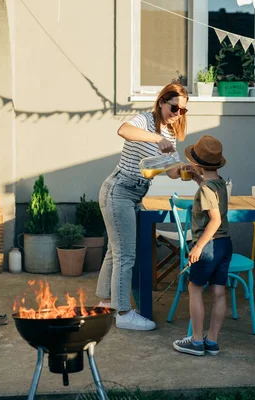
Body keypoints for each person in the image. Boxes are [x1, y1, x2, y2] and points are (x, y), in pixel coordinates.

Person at [96, 83, 188, 331]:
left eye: (183, 111)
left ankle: (106, 302)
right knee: (126, 254)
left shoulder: (170, 136)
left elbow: (171, 173)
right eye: (174, 107)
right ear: (161, 102)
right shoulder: (145, 120)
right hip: (118, 190)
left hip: (134, 195)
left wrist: (188, 169)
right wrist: (157, 138)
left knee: (115, 251)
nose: (178, 114)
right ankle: (124, 313)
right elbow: (123, 130)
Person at [172, 135, 231, 356]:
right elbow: (210, 192)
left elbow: (214, 219)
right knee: (218, 292)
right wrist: (198, 179)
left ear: (197, 164)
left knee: (194, 289)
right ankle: (212, 341)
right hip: (225, 244)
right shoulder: (219, 183)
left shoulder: (206, 190)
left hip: (208, 245)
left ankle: (196, 341)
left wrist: (197, 247)